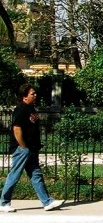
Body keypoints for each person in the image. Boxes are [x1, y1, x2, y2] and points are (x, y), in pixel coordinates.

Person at [1, 83, 65, 212]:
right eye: (32, 94)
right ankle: (3, 202)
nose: (35, 95)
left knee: (36, 175)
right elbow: (17, 128)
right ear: (24, 96)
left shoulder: (31, 108)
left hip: (31, 148)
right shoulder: (21, 109)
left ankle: (47, 202)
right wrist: (23, 146)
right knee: (15, 175)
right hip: (22, 149)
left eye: (35, 93)